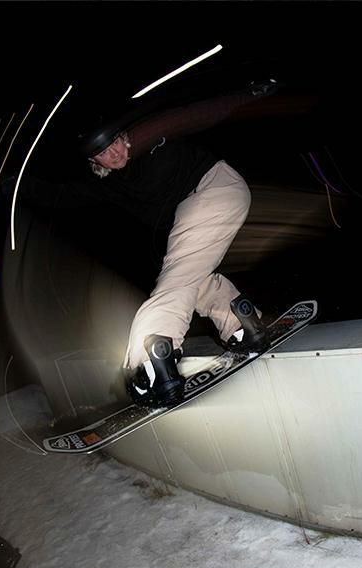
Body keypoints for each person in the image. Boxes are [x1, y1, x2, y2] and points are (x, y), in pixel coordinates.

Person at [77, 84, 277, 407]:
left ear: (123, 135)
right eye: (104, 152)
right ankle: (242, 324)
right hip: (204, 203)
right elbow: (61, 194)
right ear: (93, 159)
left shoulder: (144, 136)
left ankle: (152, 365)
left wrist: (250, 94)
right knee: (194, 277)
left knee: (177, 278)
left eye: (115, 141)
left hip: (212, 188)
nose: (115, 153)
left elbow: (194, 114)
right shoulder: (106, 186)